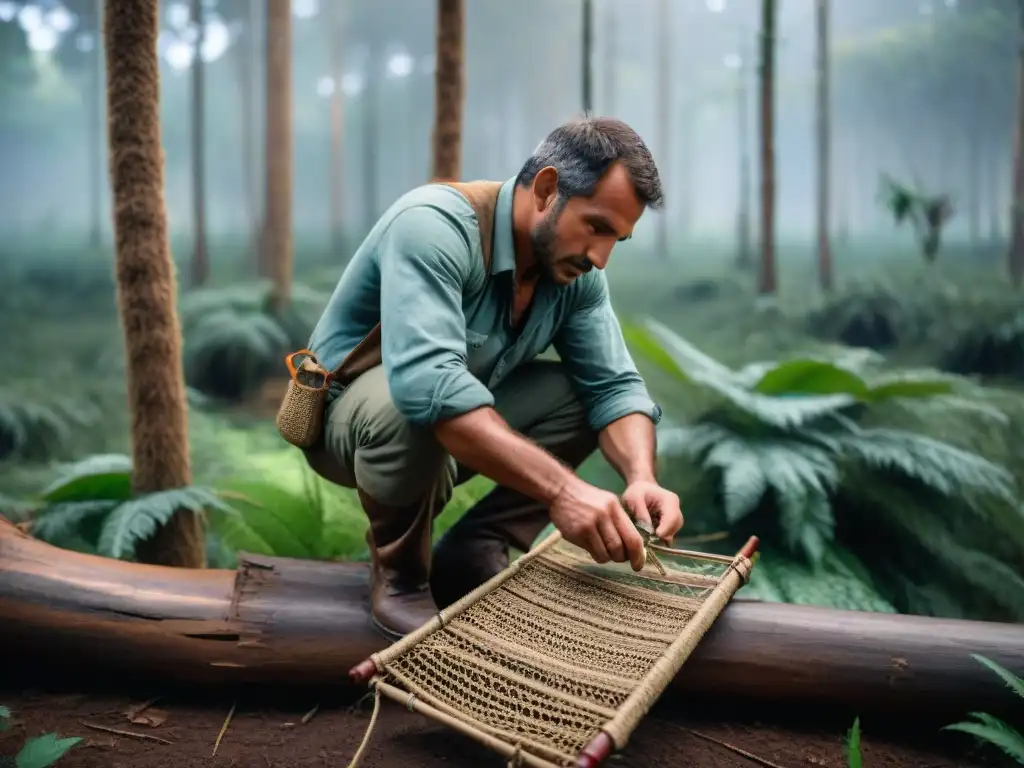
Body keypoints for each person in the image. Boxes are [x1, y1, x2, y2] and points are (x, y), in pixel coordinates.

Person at [304, 116, 683, 640]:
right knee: (410, 404)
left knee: (580, 398)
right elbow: (429, 386)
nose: (600, 257)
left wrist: (641, 477)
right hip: (355, 422)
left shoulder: (576, 274)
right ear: (548, 190)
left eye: (618, 238)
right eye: (596, 226)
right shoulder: (432, 225)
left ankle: (474, 548)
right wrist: (564, 492)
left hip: (456, 418)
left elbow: (614, 388)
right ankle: (402, 577)